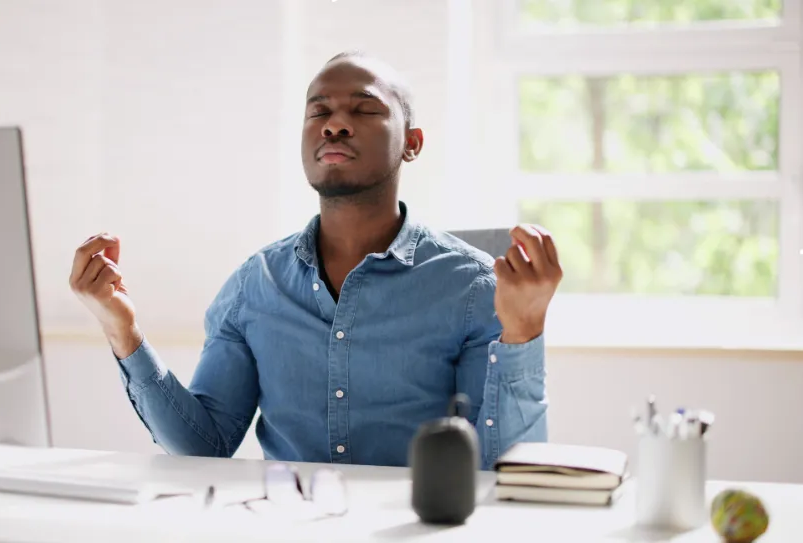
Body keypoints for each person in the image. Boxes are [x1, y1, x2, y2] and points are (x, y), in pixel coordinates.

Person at [69, 52, 562, 470]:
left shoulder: (475, 288)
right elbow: (204, 447)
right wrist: (123, 331)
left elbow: (502, 470)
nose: (335, 123)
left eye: (365, 109)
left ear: (411, 144)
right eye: (318, 110)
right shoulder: (254, 285)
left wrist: (523, 331)